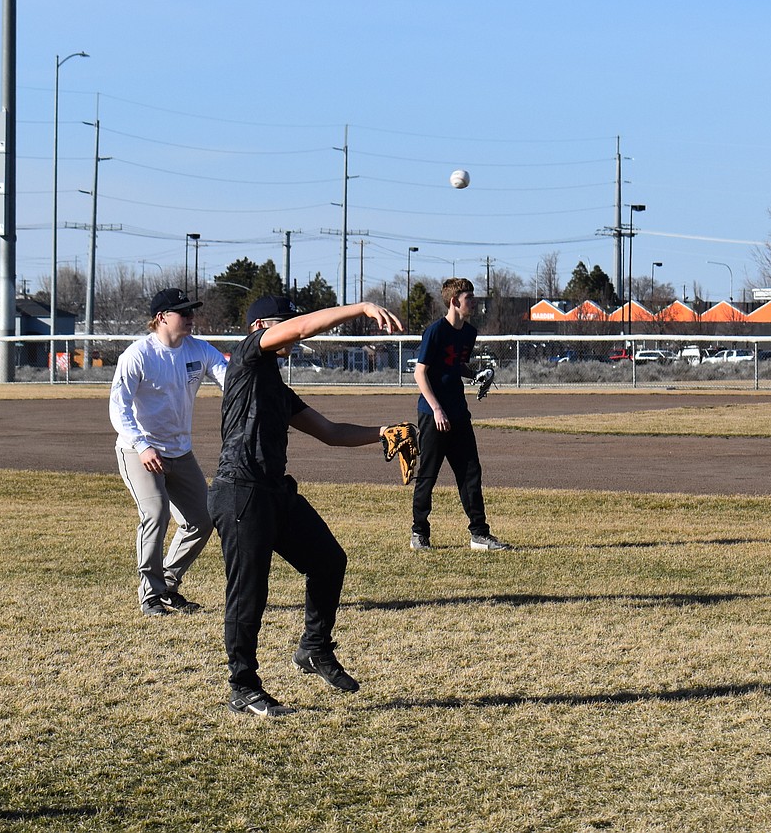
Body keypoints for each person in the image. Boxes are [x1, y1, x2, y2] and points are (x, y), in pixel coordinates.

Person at [209, 295, 404, 718]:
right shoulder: (246, 358)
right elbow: (300, 329)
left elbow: (331, 433)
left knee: (329, 561)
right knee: (249, 594)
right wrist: (362, 308)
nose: (294, 330)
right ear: (261, 326)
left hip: (274, 492)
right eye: (284, 322)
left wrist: (382, 432)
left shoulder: (277, 388)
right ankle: (242, 686)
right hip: (240, 492)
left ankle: (314, 649)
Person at [109, 287, 229, 617]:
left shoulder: (199, 350)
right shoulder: (138, 355)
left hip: (180, 452)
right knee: (156, 513)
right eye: (184, 313)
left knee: (202, 520)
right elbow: (119, 409)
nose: (191, 318)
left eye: (192, 312)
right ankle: (149, 594)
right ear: (162, 318)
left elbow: (227, 377)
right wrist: (142, 445)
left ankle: (167, 584)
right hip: (139, 450)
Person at [411, 278, 511, 553]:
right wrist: (437, 409)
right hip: (434, 415)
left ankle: (479, 534)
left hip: (458, 414)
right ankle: (419, 532)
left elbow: (455, 366)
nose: (474, 302)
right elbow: (421, 372)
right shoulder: (436, 331)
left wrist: (475, 373)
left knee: (470, 474)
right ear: (455, 301)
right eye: (470, 297)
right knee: (428, 475)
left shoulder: (469, 333)